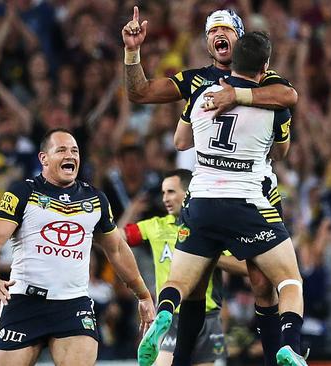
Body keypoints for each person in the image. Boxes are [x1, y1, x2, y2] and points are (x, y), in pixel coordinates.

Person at [122, 7, 290, 365]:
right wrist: (133, 52)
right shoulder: (196, 80)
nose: (219, 35)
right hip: (211, 189)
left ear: (240, 37)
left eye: (227, 29)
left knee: (260, 285)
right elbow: (140, 93)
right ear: (207, 42)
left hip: (253, 188)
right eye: (212, 30)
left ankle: (276, 357)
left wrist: (236, 96)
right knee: (196, 287)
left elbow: (288, 97)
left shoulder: (266, 77)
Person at [0, 128, 155, 366]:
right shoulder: (22, 193)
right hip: (23, 303)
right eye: (61, 150)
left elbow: (117, 250)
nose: (70, 155)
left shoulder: (95, 199)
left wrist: (143, 295)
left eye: (74, 151)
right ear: (44, 158)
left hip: (73, 304)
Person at [123, 169, 248, 366]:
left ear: (189, 193)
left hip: (209, 316)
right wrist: (128, 211)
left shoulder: (210, 231)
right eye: (163, 193)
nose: (165, 198)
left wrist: (204, 255)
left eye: (171, 192)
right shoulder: (155, 226)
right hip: (172, 316)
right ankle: (158, 329)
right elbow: (115, 239)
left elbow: (245, 268)